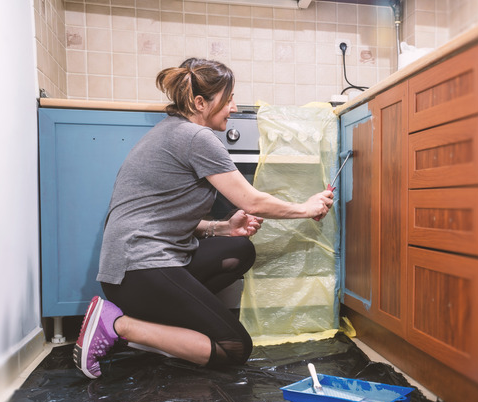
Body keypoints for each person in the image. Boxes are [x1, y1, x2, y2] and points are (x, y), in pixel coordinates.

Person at [73, 58, 334, 379]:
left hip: (134, 267)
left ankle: (157, 325)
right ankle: (118, 324)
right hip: (138, 271)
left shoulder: (173, 133)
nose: (234, 108)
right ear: (200, 103)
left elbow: (161, 214)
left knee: (239, 250)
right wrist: (307, 208)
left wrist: (222, 227)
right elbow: (250, 200)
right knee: (234, 347)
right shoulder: (196, 137)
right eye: (228, 99)